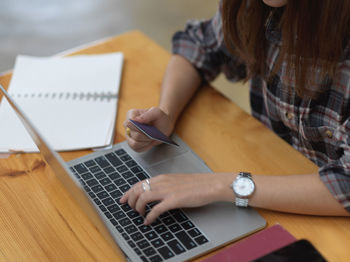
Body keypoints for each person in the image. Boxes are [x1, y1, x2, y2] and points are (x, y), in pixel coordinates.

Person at [120, 0, 350, 225]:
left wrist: (223, 186)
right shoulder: (256, 6)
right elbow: (199, 45)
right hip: (273, 187)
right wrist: (167, 113)